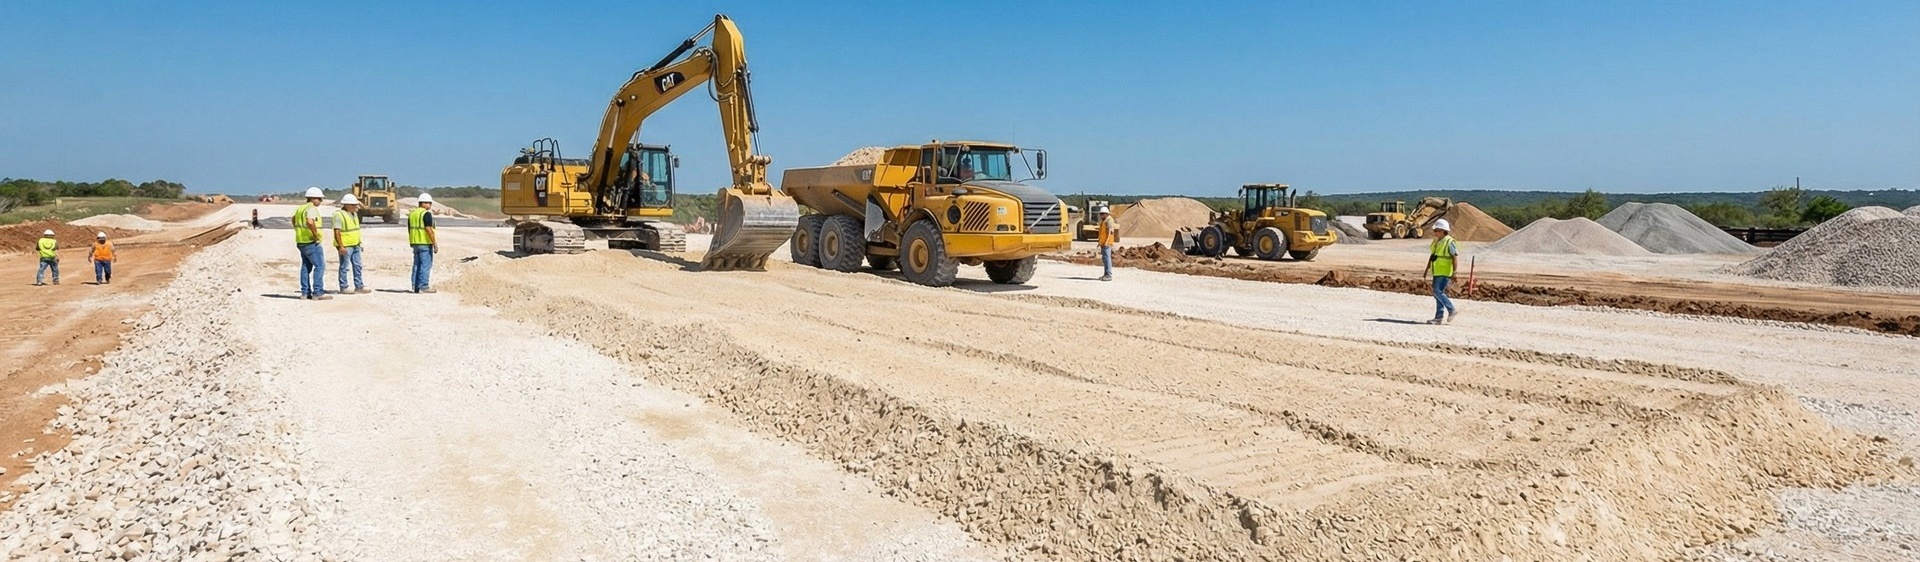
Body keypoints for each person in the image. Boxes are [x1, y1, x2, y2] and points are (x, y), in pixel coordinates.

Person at [293, 187, 331, 300]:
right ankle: (318, 292)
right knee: (319, 266)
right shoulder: (311, 208)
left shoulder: (301, 208)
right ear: (313, 198)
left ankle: (305, 293)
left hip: (301, 241)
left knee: (306, 267)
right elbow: (310, 222)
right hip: (310, 242)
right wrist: (315, 235)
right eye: (319, 199)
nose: (321, 201)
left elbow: (293, 219)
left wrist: (298, 230)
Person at [1426, 218, 1460, 325]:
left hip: (1445, 272)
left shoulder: (1449, 242)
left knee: (1437, 292)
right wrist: (1427, 268)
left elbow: (1454, 257)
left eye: (1437, 231)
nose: (1435, 233)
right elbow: (1432, 256)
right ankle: (1438, 317)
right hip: (1437, 271)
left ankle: (1451, 309)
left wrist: (1455, 272)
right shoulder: (1437, 242)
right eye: (1435, 231)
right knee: (1438, 293)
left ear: (1444, 231)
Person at [333, 194, 368, 294]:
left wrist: (359, 242)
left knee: (357, 265)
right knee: (344, 266)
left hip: (355, 244)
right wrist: (341, 246)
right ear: (346, 205)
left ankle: (359, 286)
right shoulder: (339, 215)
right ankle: (343, 287)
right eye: (353, 205)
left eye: (355, 205)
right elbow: (337, 232)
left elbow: (355, 229)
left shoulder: (354, 214)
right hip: (345, 246)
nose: (355, 207)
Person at [406, 193, 439, 293]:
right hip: (424, 243)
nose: (430, 206)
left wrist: (412, 241)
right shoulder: (426, 214)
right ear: (425, 203)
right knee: (425, 265)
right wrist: (435, 243)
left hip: (415, 243)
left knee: (416, 264)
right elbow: (428, 229)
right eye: (429, 203)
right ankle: (424, 286)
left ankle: (415, 286)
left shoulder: (412, 214)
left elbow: (409, 229)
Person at [1095, 204, 1119, 282]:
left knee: (1107, 259)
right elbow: (1101, 233)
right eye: (1101, 214)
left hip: (1107, 243)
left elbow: (1110, 232)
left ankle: (1108, 275)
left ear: (1106, 213)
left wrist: (1107, 241)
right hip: (1103, 243)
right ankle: (1105, 274)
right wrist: (1099, 242)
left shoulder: (1109, 220)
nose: (1101, 215)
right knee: (1104, 259)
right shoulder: (1103, 221)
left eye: (1102, 214)